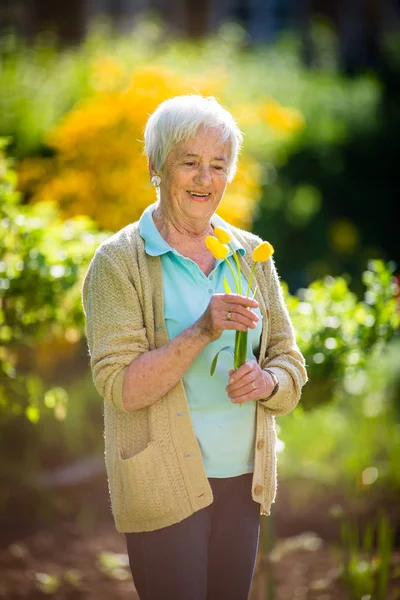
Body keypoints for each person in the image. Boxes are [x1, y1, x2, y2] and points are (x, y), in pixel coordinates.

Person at [82, 94, 307, 600]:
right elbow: (120, 387)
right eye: (189, 163)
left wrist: (267, 381)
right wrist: (201, 331)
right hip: (161, 482)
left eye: (218, 165)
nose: (205, 179)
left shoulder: (251, 255)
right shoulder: (119, 262)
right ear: (156, 167)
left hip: (244, 482)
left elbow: (289, 363)